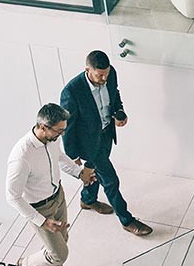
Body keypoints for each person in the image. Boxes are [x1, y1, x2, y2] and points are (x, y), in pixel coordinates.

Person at [6, 103, 96, 266]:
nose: (61, 135)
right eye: (59, 131)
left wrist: (79, 173)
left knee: (63, 239)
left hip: (58, 197)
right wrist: (42, 221)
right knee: (59, 253)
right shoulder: (21, 156)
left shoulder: (51, 139)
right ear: (43, 127)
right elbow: (12, 197)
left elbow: (60, 158)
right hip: (40, 209)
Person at [60, 50, 153, 237]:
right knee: (110, 180)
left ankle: (88, 200)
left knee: (95, 172)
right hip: (88, 144)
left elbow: (115, 94)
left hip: (106, 135)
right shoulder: (72, 91)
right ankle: (127, 220)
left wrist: (120, 112)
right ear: (88, 70)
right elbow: (67, 127)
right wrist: (73, 156)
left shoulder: (111, 74)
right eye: (99, 75)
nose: (104, 78)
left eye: (107, 74)